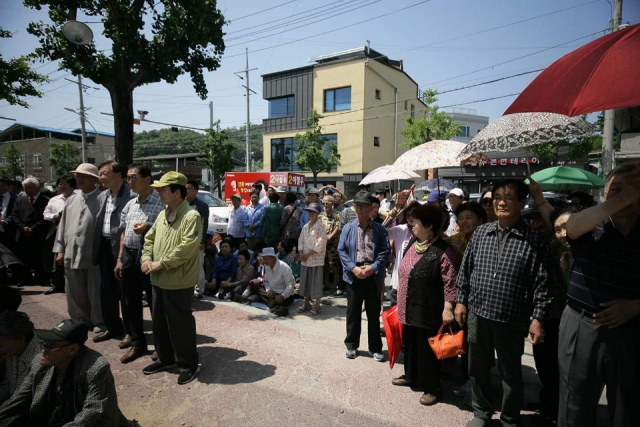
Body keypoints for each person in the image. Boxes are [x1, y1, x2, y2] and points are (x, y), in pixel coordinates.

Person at [455, 179, 552, 427]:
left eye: (508, 197)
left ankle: (510, 418)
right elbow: (465, 271)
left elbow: (542, 283)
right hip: (478, 313)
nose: (500, 202)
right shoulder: (481, 233)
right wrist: (460, 302)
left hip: (511, 318)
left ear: (522, 202)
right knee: (477, 368)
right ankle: (482, 412)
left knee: (511, 373)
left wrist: (538, 318)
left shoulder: (533, 238)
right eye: (497, 197)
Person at [557, 163, 640, 427]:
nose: (624, 195)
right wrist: (621, 199)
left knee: (629, 408)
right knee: (575, 408)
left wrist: (635, 307)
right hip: (582, 324)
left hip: (632, 329)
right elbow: (571, 227)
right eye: (615, 190)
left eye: (633, 189)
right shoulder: (590, 224)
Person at [0, 318, 131, 426]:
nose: (44, 349)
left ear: (72, 349)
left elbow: (91, 413)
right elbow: (19, 399)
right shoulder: (40, 362)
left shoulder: (97, 368)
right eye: (45, 343)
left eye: (51, 346)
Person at [391, 204, 459, 406]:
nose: (411, 225)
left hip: (429, 309)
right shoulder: (414, 242)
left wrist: (448, 308)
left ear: (429, 226)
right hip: (407, 306)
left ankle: (432, 387)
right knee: (410, 345)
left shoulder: (443, 251)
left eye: (416, 222)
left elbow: (451, 283)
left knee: (428, 349)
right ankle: (411, 376)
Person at [140, 171, 201, 385]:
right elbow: (149, 239)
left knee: (180, 325)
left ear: (177, 192)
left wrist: (161, 263)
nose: (159, 192)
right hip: (158, 279)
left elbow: (187, 248)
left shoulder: (191, 216)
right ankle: (165, 359)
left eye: (163, 189)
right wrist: (146, 259)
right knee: (159, 323)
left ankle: (188, 364)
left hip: (178, 281)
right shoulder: (162, 214)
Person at [113, 165, 164, 364]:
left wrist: (148, 227)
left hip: (149, 259)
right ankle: (137, 343)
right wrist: (119, 258)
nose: (130, 182)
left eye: (134, 178)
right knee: (129, 302)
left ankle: (161, 346)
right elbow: (123, 233)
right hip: (129, 256)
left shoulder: (161, 202)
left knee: (154, 302)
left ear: (147, 179)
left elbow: (167, 227)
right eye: (128, 178)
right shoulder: (130, 204)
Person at [338, 190, 390, 362]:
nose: (359, 209)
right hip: (354, 276)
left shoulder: (380, 229)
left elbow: (385, 251)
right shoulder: (348, 228)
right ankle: (351, 345)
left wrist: (373, 267)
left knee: (373, 313)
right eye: (357, 205)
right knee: (353, 312)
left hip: (372, 275)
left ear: (371, 209)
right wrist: (353, 268)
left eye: (363, 206)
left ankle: (375, 348)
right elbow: (342, 251)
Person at [53, 164, 105, 333]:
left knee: (95, 290)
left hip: (92, 254)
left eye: (83, 176)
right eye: (77, 176)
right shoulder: (71, 199)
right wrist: (60, 250)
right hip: (71, 252)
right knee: (74, 291)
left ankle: (98, 320)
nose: (79, 179)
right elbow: (62, 226)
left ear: (94, 180)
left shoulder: (103, 199)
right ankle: (80, 320)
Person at [444, 201, 487, 397]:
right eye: (460, 218)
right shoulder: (454, 240)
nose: (463, 222)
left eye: (469, 218)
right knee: (465, 340)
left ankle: (480, 382)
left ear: (480, 219)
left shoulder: (488, 240)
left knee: (480, 344)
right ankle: (466, 377)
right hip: (461, 298)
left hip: (483, 298)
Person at [95, 161, 134, 344]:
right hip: (103, 246)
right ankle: (112, 327)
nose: (101, 177)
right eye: (100, 174)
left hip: (122, 246)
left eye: (105, 173)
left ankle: (130, 331)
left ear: (119, 175)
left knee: (125, 291)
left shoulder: (131, 195)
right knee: (106, 290)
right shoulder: (102, 196)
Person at [10, 177, 51, 285]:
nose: (29, 190)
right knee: (24, 258)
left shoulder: (46, 200)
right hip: (22, 234)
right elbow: (15, 215)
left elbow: (46, 217)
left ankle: (41, 279)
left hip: (38, 234)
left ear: (37, 188)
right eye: (26, 188)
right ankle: (25, 279)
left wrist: (33, 227)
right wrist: (22, 227)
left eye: (31, 188)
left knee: (38, 258)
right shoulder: (19, 200)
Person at [42, 175, 79, 295]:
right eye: (60, 184)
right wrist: (54, 216)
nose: (62, 187)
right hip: (57, 228)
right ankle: (56, 284)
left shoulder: (78, 197)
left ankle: (71, 285)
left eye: (65, 184)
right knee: (55, 257)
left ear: (73, 186)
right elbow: (45, 213)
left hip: (73, 229)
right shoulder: (55, 199)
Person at [0, 312, 42, 405]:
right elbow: (9, 385)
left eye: (1, 345)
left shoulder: (41, 355)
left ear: (20, 339)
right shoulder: (12, 352)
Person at [297, 203, 327, 317]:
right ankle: (306, 303)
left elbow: (320, 243)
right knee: (305, 280)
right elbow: (301, 240)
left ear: (318, 213)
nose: (311, 214)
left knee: (316, 281)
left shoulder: (320, 227)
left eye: (313, 212)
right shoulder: (305, 226)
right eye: (309, 211)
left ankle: (317, 305)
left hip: (315, 259)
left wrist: (308, 254)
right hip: (305, 258)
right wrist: (301, 253)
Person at [186, 181, 210, 300]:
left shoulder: (202, 206)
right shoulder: (182, 204)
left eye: (190, 188)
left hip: (197, 240)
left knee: (198, 266)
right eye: (186, 188)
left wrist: (202, 240)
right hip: (185, 241)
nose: (187, 191)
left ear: (195, 191)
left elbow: (204, 224)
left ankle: (199, 290)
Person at [319, 194, 342, 294]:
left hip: (333, 244)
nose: (325, 205)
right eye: (323, 203)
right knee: (324, 265)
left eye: (327, 203)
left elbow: (338, 227)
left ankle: (334, 285)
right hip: (323, 244)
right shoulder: (320, 216)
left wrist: (330, 236)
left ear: (332, 204)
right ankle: (326, 284)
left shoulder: (337, 215)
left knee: (334, 265)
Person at [0, 177, 17, 251]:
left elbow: (16, 212)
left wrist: (7, 221)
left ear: (8, 186)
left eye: (2, 185)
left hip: (8, 231)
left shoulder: (15, 198)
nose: (0, 187)